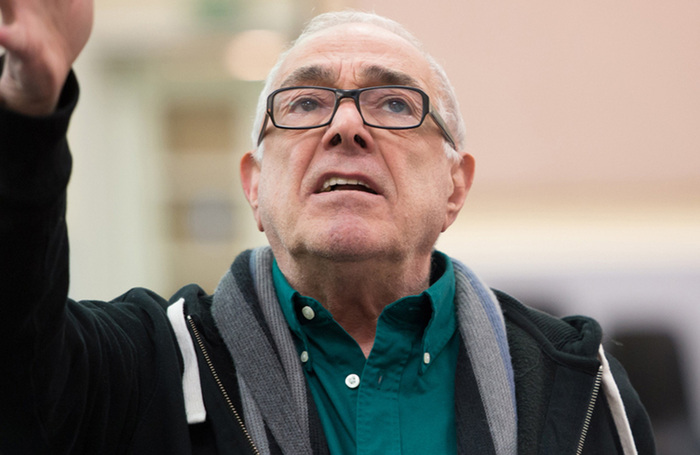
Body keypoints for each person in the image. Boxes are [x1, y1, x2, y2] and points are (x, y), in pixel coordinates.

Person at [0, 1, 655, 453]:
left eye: (394, 103)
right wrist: (27, 114)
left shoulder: (580, 389)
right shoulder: (151, 369)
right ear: (255, 185)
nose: (346, 126)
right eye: (305, 103)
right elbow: (22, 376)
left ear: (455, 185)